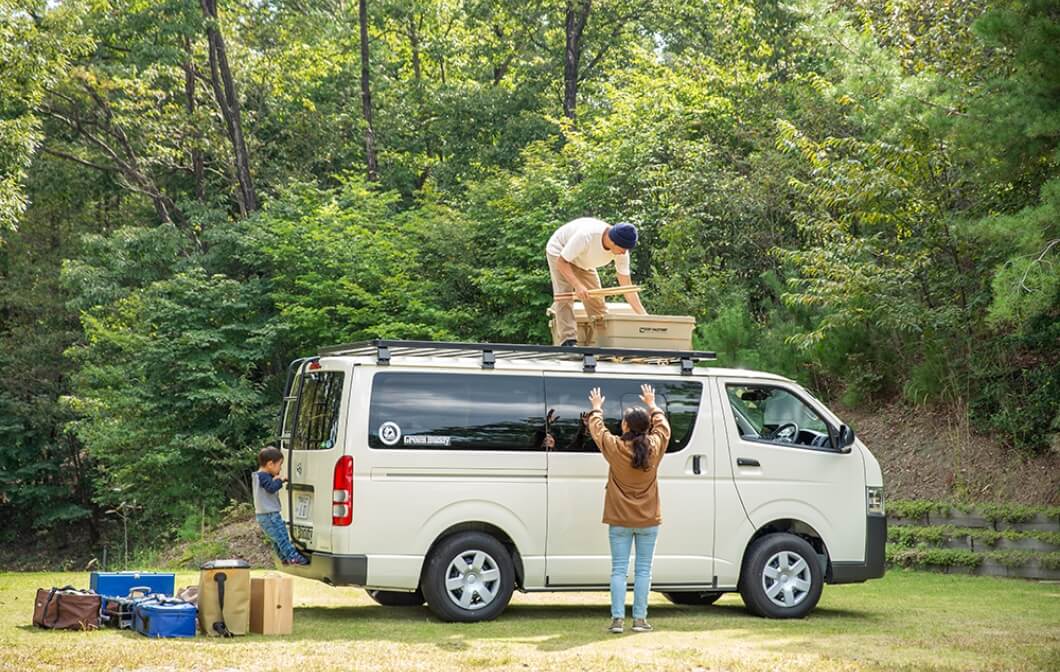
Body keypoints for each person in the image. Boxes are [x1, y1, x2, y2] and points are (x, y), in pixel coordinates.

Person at [586, 384, 671, 634]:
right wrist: (652, 404)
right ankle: (640, 620)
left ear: (625, 426)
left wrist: (596, 408)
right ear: (646, 427)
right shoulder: (654, 447)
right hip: (649, 520)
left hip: (619, 519)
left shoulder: (615, 447)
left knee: (619, 570)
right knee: (644, 570)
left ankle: (617, 620)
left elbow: (597, 429)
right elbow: (664, 427)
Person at [546, 217, 646, 346]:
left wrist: (644, 317)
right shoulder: (587, 236)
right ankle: (568, 341)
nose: (624, 253)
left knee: (596, 299)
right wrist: (578, 285)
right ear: (613, 241)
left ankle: (604, 340)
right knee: (565, 296)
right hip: (559, 253)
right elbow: (562, 262)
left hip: (584, 262)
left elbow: (627, 287)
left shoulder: (622, 252)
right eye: (623, 249)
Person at [252, 446, 308, 565]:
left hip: (262, 515)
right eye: (280, 465)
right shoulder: (264, 476)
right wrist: (279, 480)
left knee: (276, 539)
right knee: (282, 537)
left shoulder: (257, 476)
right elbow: (271, 488)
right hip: (270, 515)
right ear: (270, 464)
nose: (280, 468)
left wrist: (278, 479)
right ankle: (293, 557)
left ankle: (283, 558)